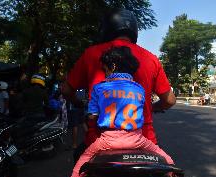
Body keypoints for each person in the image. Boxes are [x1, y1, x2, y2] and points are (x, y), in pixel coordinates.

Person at [62, 9, 176, 156]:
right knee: (166, 166)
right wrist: (150, 108)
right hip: (143, 142)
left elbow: (66, 90)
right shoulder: (151, 58)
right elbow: (170, 100)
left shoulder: (91, 54)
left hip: (100, 143)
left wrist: (78, 103)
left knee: (79, 158)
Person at [69, 46, 174, 177]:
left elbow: (92, 117)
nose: (105, 74)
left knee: (84, 158)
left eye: (105, 70)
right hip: (137, 140)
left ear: (112, 66)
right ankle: (173, 173)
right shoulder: (139, 88)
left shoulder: (99, 88)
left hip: (107, 141)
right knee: (164, 156)